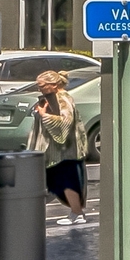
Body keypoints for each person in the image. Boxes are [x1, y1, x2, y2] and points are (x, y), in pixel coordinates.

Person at [34, 71, 89, 221]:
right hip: (62, 148)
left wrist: (44, 115)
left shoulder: (62, 99)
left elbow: (66, 122)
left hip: (66, 149)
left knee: (65, 180)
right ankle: (76, 212)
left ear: (54, 85)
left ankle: (77, 213)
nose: (40, 89)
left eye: (42, 86)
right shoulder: (54, 98)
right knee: (62, 180)